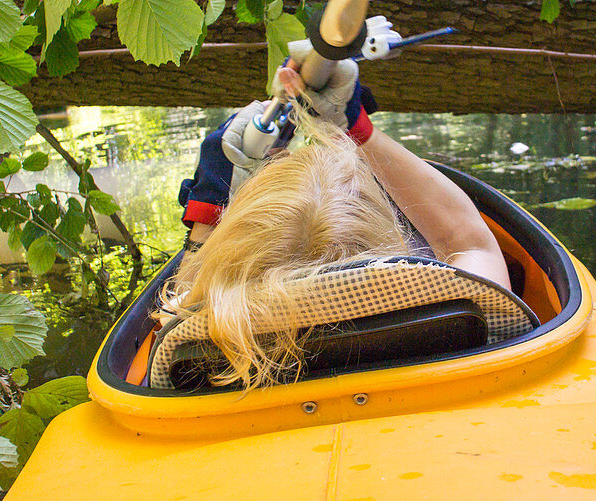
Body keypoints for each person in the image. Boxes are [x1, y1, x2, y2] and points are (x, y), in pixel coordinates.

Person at [159, 42, 511, 389]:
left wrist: (210, 206)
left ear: (235, 246)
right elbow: (465, 240)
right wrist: (354, 124)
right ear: (384, 231)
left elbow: (192, 297)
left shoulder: (195, 328)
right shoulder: (460, 300)